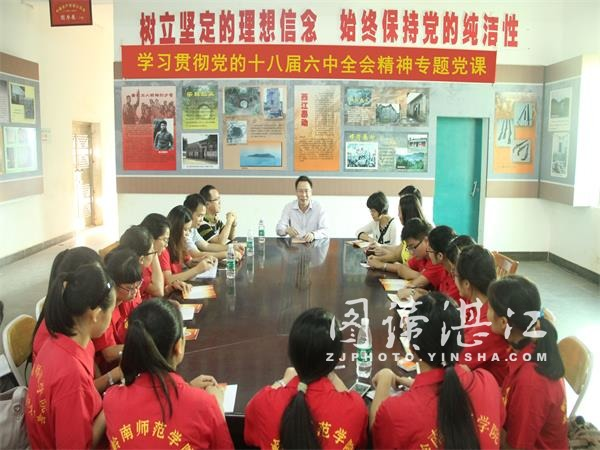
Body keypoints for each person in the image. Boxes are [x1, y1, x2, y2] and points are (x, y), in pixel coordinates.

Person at [370, 292, 505, 449]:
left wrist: (384, 380)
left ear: (412, 349)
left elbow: (376, 432)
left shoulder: (396, 413)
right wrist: (409, 383)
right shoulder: (487, 382)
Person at [103, 299, 233, 449]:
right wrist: (218, 408)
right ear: (178, 346)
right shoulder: (205, 405)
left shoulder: (112, 399)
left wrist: (188, 387)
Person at [245, 308, 368, 449]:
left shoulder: (264, 403)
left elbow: (250, 424)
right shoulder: (354, 408)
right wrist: (334, 378)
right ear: (337, 357)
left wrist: (282, 381)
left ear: (291, 353)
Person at [26, 263, 116, 449]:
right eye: (111, 310)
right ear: (96, 314)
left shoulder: (59, 340)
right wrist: (109, 408)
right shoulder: (71, 375)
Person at [487, 275, 568, 449]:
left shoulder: (531, 382)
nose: (487, 314)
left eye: (489, 308)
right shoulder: (525, 345)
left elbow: (517, 446)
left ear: (503, 322)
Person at [454, 245, 510, 385]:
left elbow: (453, 361)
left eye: (455, 275)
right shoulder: (479, 303)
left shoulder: (491, 323)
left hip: (491, 392)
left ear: (466, 283)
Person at [396, 225, 459, 302]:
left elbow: (445, 304)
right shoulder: (445, 270)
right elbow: (441, 296)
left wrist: (415, 293)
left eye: (429, 250)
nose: (428, 253)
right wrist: (426, 294)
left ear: (440, 256)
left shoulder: (456, 277)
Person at [368, 186, 427, 265]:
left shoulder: (418, 234)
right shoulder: (408, 231)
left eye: (400, 211)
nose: (398, 215)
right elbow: (398, 251)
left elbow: (404, 262)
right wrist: (380, 248)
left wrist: (382, 263)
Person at [161, 206, 217, 285]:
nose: (188, 233)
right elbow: (168, 280)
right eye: (185, 230)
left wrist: (201, 260)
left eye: (189, 229)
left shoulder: (181, 243)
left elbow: (189, 262)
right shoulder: (164, 250)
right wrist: (197, 269)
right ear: (175, 229)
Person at [140, 213, 188, 298]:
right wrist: (153, 251)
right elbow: (158, 291)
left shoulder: (152, 257)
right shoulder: (142, 261)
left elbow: (158, 293)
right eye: (165, 240)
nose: (166, 245)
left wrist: (171, 287)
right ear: (151, 238)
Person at [183, 193, 244, 261]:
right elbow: (196, 255)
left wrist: (232, 247)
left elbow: (207, 246)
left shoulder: (193, 229)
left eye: (203, 216)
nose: (202, 220)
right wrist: (227, 254)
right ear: (189, 213)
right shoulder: (184, 232)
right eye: (199, 216)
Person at [276, 175, 328, 243]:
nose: (303, 195)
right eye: (300, 191)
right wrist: (286, 230)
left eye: (306, 191)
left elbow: (325, 230)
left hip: (313, 246)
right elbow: (278, 229)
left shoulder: (319, 208)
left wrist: (313, 234)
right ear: (296, 192)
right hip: (294, 247)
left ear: (311, 192)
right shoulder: (289, 207)